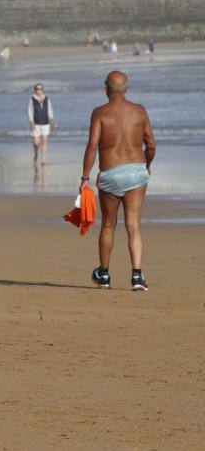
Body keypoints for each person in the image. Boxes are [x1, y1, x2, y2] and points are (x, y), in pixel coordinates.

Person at [82, 71, 155, 291]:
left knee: (108, 225)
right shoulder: (139, 111)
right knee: (133, 225)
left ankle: (103, 275)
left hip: (111, 173)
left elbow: (93, 145)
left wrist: (85, 177)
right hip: (136, 172)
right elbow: (151, 144)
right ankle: (137, 276)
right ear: (126, 89)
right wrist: (147, 165)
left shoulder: (100, 113)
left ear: (106, 88)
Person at [28, 83, 56, 166]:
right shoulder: (32, 99)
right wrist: (31, 121)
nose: (38, 90)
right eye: (37, 89)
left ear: (42, 90)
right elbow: (30, 111)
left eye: (40, 89)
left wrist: (52, 120)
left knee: (44, 141)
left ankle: (43, 160)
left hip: (45, 123)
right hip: (35, 123)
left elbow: (50, 110)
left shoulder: (46, 99)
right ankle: (36, 154)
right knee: (36, 142)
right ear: (35, 90)